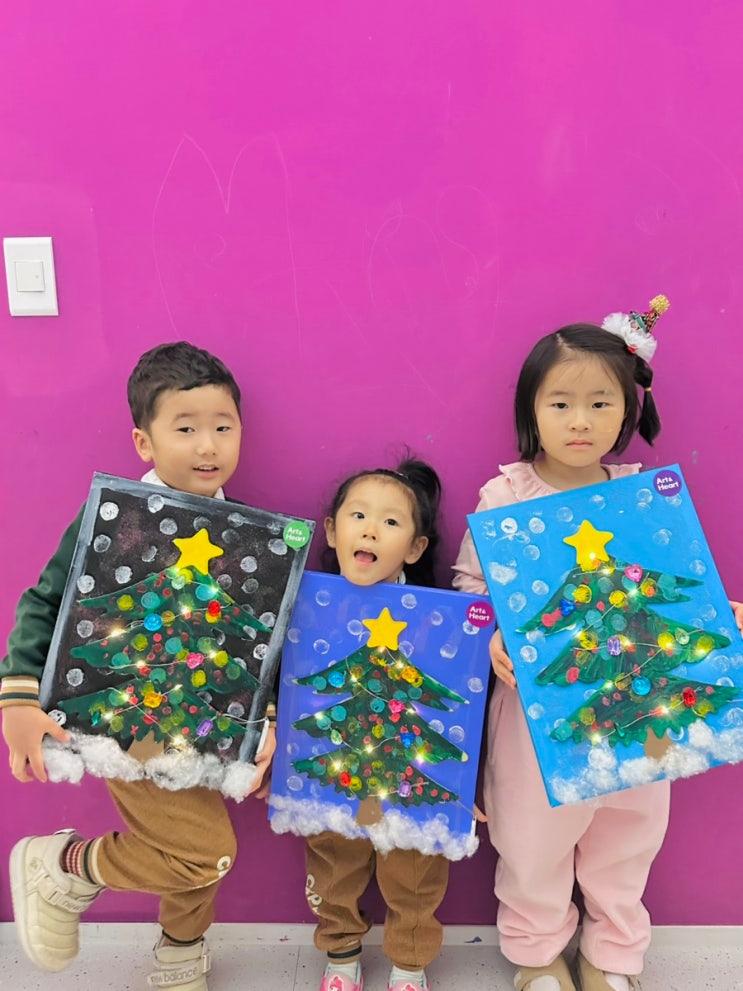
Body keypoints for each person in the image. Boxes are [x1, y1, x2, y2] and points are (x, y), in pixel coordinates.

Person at [451, 297, 743, 991]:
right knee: (533, 837)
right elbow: (469, 589)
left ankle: (613, 952)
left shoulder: (643, 494)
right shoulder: (505, 497)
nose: (579, 421)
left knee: (628, 832)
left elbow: (675, 582)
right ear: (531, 410)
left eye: (598, 403)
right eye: (560, 404)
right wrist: (490, 637)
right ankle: (535, 952)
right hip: (537, 712)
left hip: (637, 698)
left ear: (626, 411)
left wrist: (715, 618)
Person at [1, 341, 276, 991]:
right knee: (206, 851)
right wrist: (16, 697)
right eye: (186, 428)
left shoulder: (243, 533)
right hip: (123, 714)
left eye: (223, 427)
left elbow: (256, 638)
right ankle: (65, 865)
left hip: (202, 716)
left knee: (191, 838)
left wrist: (260, 721)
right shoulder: (114, 514)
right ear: (144, 442)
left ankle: (181, 951)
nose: (207, 445)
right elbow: (46, 598)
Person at [305, 457, 447, 991]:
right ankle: (341, 952)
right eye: (358, 515)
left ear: (414, 547)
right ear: (331, 530)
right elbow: (291, 686)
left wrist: (459, 782)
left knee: (413, 867)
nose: (369, 530)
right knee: (333, 860)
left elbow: (453, 706)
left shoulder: (439, 619)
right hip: (335, 764)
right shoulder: (309, 609)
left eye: (390, 521)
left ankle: (409, 962)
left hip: (408, 770)